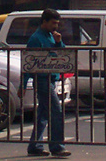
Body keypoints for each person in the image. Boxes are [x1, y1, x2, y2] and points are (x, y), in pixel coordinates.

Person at [25, 9, 70, 158]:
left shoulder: (52, 36)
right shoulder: (36, 39)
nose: (55, 26)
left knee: (43, 114)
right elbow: (29, 62)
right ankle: (57, 146)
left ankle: (35, 145)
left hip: (51, 79)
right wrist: (23, 85)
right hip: (42, 79)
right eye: (53, 23)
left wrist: (58, 42)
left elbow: (62, 53)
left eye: (57, 23)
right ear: (44, 22)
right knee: (56, 111)